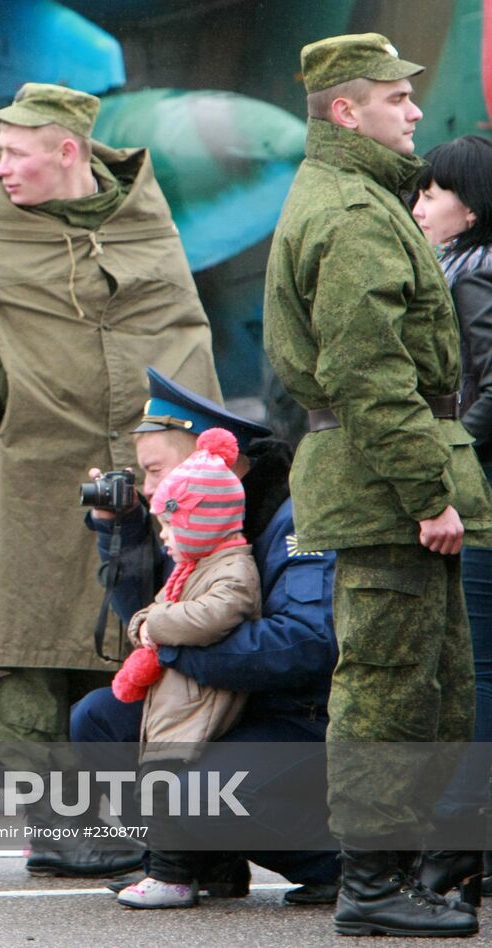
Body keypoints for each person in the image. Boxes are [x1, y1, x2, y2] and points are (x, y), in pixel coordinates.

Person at [0, 83, 222, 797]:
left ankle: (133, 810)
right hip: (25, 485)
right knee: (22, 647)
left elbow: (181, 339)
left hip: (139, 487)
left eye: (15, 154)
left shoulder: (142, 228)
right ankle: (53, 818)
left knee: (132, 642)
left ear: (68, 152)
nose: (0, 168)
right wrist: (15, 393)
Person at [263, 33, 492, 937]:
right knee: (388, 688)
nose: (415, 113)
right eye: (398, 99)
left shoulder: (359, 198)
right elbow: (371, 373)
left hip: (382, 476)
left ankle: (402, 871)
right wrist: (427, 492)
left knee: (430, 682)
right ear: (345, 110)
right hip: (382, 483)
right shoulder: (354, 215)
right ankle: (370, 885)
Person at [71, 369, 339, 904]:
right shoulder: (203, 521)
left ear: (212, 458)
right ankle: (198, 865)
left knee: (193, 789)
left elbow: (306, 644)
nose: (148, 490)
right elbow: (151, 616)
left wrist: (171, 646)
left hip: (299, 721)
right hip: (228, 704)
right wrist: (119, 533)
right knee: (99, 718)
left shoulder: (294, 518)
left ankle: (340, 862)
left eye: (155, 471)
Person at [103, 428, 261, 909]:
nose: (166, 538)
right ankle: (214, 871)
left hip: (196, 702)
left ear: (202, 522)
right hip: (174, 698)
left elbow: (211, 615)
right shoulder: (191, 567)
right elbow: (149, 616)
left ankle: (171, 876)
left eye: (171, 527)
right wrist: (148, 624)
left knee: (167, 784)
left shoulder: (233, 569)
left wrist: (156, 623)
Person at [410, 135, 492, 902]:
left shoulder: (472, 277)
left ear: (471, 206)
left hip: (481, 495)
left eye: (433, 193)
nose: (420, 206)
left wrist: (455, 459)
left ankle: (457, 852)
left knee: (477, 677)